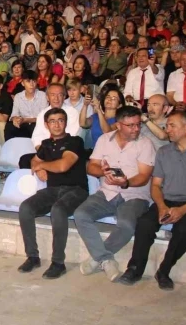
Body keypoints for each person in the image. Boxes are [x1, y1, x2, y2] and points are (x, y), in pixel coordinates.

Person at [119, 111, 186, 290]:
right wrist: (162, 206)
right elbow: (156, 186)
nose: (167, 129)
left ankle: (164, 271)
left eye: (172, 125)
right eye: (167, 125)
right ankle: (135, 268)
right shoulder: (164, 152)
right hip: (167, 200)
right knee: (144, 224)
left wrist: (182, 210)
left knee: (183, 230)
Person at [74, 106, 156, 282]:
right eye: (130, 125)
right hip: (107, 191)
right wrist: (103, 171)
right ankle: (105, 259)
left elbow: (143, 177)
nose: (136, 129)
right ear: (118, 125)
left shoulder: (145, 143)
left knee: (126, 224)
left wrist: (126, 182)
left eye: (137, 125)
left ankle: (97, 258)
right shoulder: (104, 140)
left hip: (134, 194)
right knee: (81, 214)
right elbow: (91, 167)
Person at [17, 108, 89, 279]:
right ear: (46, 125)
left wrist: (42, 166)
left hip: (76, 190)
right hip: (53, 190)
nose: (57, 124)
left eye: (60, 120)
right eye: (53, 121)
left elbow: (64, 165)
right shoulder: (46, 144)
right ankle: (32, 257)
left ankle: (58, 262)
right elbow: (35, 160)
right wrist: (37, 165)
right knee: (25, 208)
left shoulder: (75, 141)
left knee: (58, 210)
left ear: (65, 122)